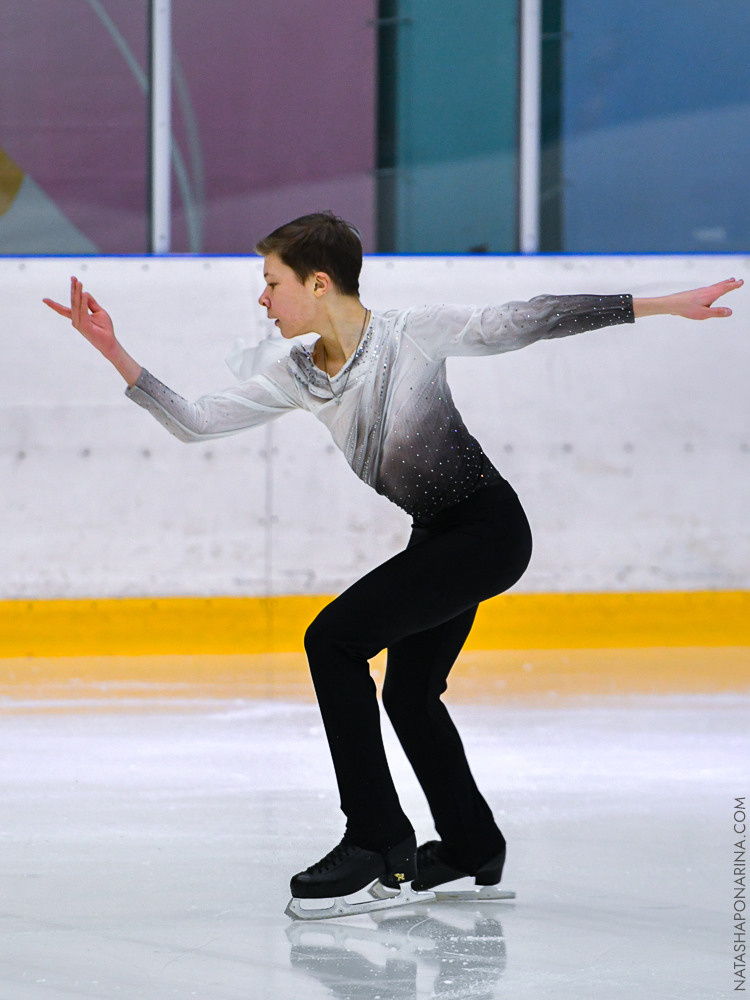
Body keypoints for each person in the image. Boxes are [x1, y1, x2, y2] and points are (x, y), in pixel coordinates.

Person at [44, 212, 742, 913]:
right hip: (440, 537)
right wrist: (115, 352)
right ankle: (472, 847)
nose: (262, 300)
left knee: (332, 639)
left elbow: (530, 318)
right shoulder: (300, 375)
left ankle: (376, 837)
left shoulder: (412, 332)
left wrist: (657, 305)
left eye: (272, 283)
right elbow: (196, 421)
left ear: (319, 284)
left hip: (488, 532)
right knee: (407, 692)